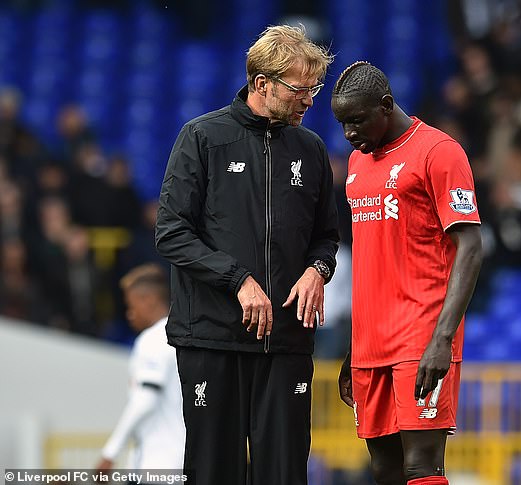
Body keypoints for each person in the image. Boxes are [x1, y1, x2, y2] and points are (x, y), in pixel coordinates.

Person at [155, 25, 339, 485]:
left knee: (286, 472)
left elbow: (327, 237)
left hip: (287, 342)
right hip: (212, 339)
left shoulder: (312, 149)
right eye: (300, 89)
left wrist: (319, 270)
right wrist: (238, 279)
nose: (309, 99)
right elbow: (171, 232)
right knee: (215, 471)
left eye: (313, 88)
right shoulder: (202, 137)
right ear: (262, 85)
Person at [331, 62, 483, 485]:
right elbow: (374, 257)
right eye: (342, 123)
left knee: (421, 465)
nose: (348, 133)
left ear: (386, 105)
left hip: (421, 333)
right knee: (384, 468)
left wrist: (442, 338)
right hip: (369, 341)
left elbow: (470, 247)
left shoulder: (438, 151)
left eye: (357, 120)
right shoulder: (358, 164)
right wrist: (353, 346)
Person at [95, 264, 185, 475]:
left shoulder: (153, 339)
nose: (129, 314)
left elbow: (145, 400)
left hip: (156, 463)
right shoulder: (179, 334)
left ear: (149, 300)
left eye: (131, 305)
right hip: (180, 460)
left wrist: (110, 453)